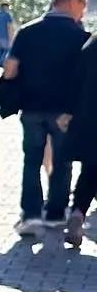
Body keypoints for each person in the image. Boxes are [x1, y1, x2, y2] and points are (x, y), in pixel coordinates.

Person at [2, 0, 90, 236]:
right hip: (64, 111)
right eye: (82, 6)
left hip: (31, 108)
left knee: (31, 161)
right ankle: (55, 213)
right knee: (62, 162)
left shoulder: (28, 31)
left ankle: (30, 214)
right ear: (72, 1)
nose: (82, 13)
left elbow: (10, 69)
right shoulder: (80, 37)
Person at [58, 30, 97, 247]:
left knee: (90, 171)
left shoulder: (91, 45)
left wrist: (68, 111)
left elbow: (75, 82)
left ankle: (78, 213)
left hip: (90, 120)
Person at [0, 0, 16, 68]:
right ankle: (1, 63)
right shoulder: (7, 15)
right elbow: (9, 27)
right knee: (7, 50)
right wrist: (11, 39)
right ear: (6, 7)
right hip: (4, 37)